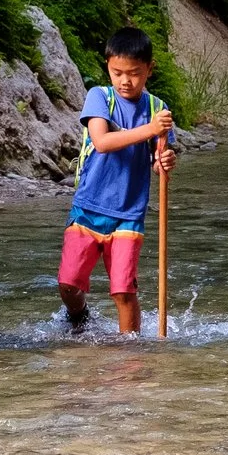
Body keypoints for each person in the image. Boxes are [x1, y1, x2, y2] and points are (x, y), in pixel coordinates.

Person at [60, 25, 177, 334]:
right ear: (108, 68)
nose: (125, 80)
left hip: (129, 214)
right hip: (88, 206)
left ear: (149, 69)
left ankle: (129, 352)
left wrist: (165, 159)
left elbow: (160, 158)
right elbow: (101, 141)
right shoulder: (99, 97)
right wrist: (150, 130)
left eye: (135, 73)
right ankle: (79, 314)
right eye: (117, 72)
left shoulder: (156, 110)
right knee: (68, 284)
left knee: (123, 290)